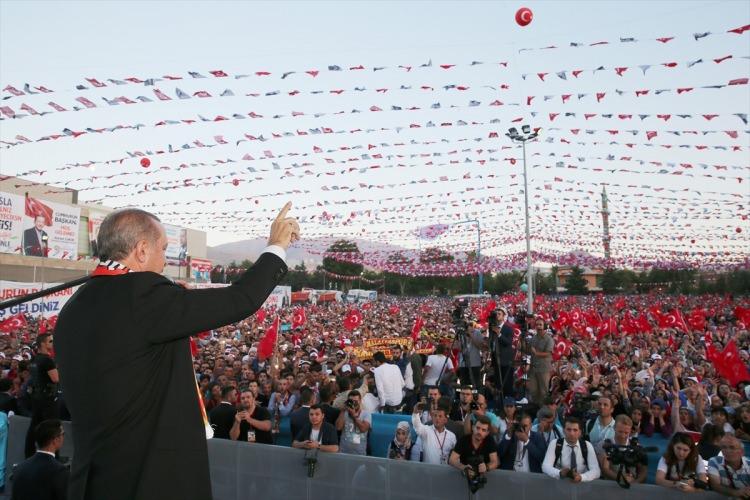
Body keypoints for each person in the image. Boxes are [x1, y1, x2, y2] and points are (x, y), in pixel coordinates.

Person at [55, 203, 298, 500]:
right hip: (149, 480)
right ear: (142, 250)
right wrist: (276, 246)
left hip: (93, 481)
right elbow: (241, 298)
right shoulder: (143, 295)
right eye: (163, 249)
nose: (164, 261)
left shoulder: (74, 307)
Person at [12, 419, 68, 500]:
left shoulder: (19, 468)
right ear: (56, 440)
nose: (63, 437)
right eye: (63, 434)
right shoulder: (60, 471)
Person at [25, 333, 59, 458]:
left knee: (34, 427)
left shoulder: (34, 359)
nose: (52, 343)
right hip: (47, 400)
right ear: (43, 343)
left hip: (36, 398)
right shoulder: (46, 360)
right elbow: (56, 379)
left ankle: (28, 454)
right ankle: (55, 457)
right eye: (50, 341)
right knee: (53, 428)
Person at [542, 416, 601, 482]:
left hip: (581, 486)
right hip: (559, 485)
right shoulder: (555, 443)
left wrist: (581, 477)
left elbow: (596, 471)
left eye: (575, 430)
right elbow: (545, 466)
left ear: (580, 432)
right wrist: (559, 473)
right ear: (563, 430)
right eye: (569, 429)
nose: (572, 433)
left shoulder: (587, 445)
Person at [597, 415, 648, 485]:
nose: (623, 435)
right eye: (620, 432)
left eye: (626, 433)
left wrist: (635, 483)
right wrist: (621, 478)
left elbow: (643, 471)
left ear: (630, 431)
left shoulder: (636, 446)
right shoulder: (603, 445)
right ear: (614, 428)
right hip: (610, 486)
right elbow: (604, 470)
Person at [411, 400, 456, 465]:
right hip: (428, 472)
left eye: (440, 416)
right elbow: (417, 426)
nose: (437, 418)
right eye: (435, 416)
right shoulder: (426, 430)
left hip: (445, 473)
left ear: (445, 420)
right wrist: (415, 413)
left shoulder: (452, 436)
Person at [336, 390, 371, 455]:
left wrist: (354, 416)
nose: (353, 404)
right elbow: (338, 427)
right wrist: (343, 410)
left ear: (360, 401)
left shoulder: (366, 414)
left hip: (359, 453)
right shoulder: (344, 413)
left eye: (356, 401)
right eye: (351, 401)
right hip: (343, 452)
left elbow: (363, 429)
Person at [491, 308, 515, 398]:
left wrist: (499, 334)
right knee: (498, 384)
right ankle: (499, 401)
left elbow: (508, 342)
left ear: (504, 316)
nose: (497, 315)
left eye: (499, 314)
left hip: (506, 361)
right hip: (496, 361)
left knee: (507, 384)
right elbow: (492, 342)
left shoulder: (508, 328)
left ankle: (508, 402)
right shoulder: (492, 329)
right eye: (496, 314)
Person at [527, 320, 553, 405]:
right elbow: (529, 349)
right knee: (533, 390)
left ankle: (543, 408)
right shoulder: (534, 338)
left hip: (543, 369)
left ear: (544, 327)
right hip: (533, 368)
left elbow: (548, 353)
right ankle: (535, 407)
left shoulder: (549, 339)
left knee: (543, 391)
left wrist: (536, 353)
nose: (538, 326)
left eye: (540, 325)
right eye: (537, 325)